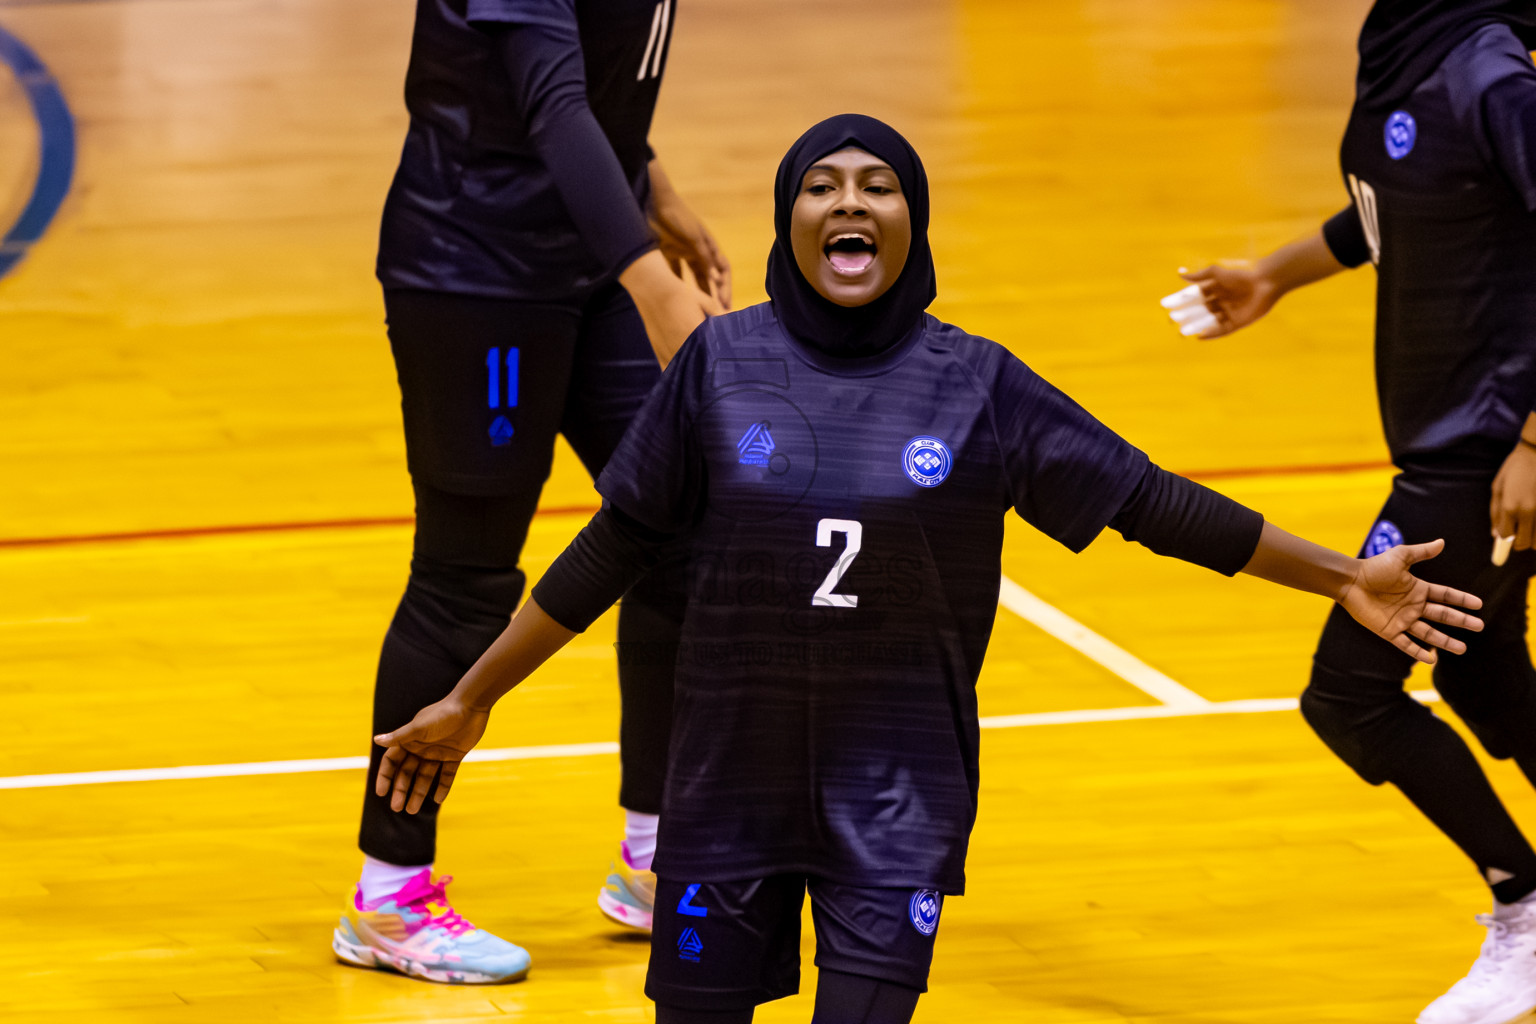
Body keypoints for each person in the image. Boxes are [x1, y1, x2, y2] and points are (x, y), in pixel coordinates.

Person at [373, 115, 1483, 1021]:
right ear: (788, 219)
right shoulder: (718, 365)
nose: (849, 203)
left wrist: (1341, 574)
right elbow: (610, 548)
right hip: (725, 794)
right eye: (821, 186)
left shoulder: (980, 385)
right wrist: (473, 696)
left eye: (879, 186)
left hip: (896, 800)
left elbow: (1150, 502)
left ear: (915, 222)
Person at [330, 0, 730, 985]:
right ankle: (389, 897)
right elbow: (549, 102)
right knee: (465, 578)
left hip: (591, 257)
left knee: (685, 526)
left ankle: (656, 857)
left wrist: (652, 186)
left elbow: (596, 77)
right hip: (478, 274)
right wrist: (657, 287)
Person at [1159, 3, 1536, 1021]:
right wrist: (1271, 276)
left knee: (1350, 696)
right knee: (1483, 675)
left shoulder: (1490, 72)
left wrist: (1534, 442)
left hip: (1486, 453)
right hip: (1454, 444)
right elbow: (1396, 204)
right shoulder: (1410, 47)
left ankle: (1526, 909)